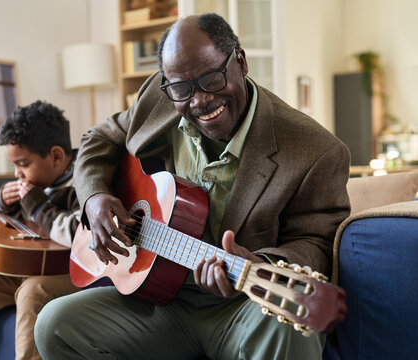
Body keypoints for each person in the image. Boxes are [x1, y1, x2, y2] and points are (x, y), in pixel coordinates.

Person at [34, 13, 350, 360]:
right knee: (53, 324)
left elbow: (318, 244)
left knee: (290, 325)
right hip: (161, 302)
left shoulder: (316, 150)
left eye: (212, 79)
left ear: (240, 62)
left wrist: (257, 263)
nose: (199, 101)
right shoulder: (161, 95)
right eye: (182, 89)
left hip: (243, 306)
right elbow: (100, 137)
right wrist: (93, 197)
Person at [0, 100, 81, 360]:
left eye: (23, 164)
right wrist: (3, 204)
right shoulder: (34, 183)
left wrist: (36, 203)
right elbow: (19, 223)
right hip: (35, 266)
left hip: (75, 273)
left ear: (56, 156)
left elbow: (79, 234)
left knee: (33, 290)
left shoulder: (83, 182)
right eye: (14, 166)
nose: (18, 175)